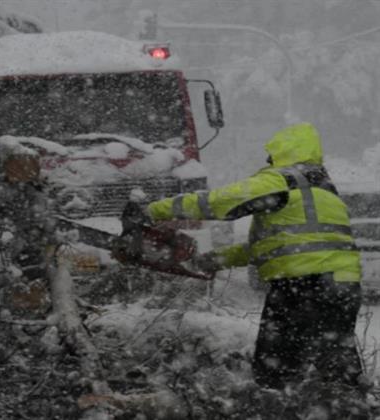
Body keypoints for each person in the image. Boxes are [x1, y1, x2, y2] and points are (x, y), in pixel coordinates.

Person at [123, 122, 363, 389]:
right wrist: (212, 260)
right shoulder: (323, 193)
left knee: (276, 367)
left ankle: (279, 405)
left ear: (285, 153)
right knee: (336, 364)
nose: (268, 161)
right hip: (342, 287)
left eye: (272, 156)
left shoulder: (282, 180)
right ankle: (350, 404)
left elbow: (217, 202)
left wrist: (153, 210)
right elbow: (268, 247)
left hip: (301, 285)